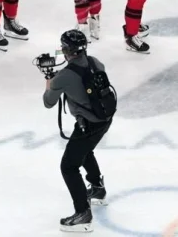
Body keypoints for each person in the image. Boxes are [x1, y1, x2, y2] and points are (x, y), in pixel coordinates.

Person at [43, 29, 113, 233]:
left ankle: (83, 213)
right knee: (85, 150)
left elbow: (48, 102)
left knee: (68, 166)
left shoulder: (62, 77)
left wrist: (50, 79)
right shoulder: (95, 62)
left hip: (87, 124)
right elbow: (80, 78)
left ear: (66, 49)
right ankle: (97, 190)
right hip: (104, 119)